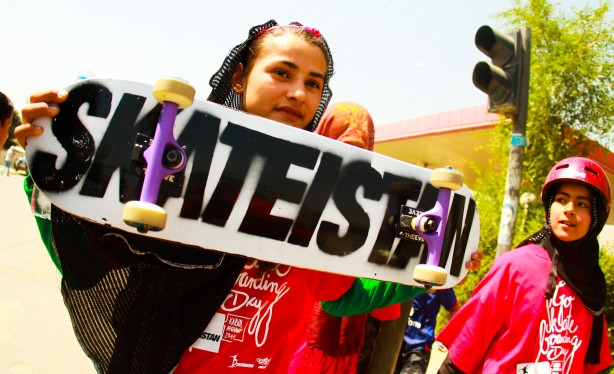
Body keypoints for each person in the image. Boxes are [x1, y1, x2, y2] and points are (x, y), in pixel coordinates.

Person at [17, 20, 482, 373]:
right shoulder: (169, 159)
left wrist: (427, 269)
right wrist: (51, 162)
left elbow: (337, 294)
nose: (298, 93)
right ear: (239, 77)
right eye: (281, 72)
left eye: (314, 83)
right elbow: (85, 255)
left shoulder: (331, 199)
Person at [436, 157, 613, 374]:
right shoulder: (515, 265)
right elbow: (463, 351)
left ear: (597, 217)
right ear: (549, 206)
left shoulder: (592, 284)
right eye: (561, 199)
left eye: (582, 203)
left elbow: (591, 364)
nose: (569, 209)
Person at [395, 289, 459, 374]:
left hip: (419, 347)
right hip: (395, 341)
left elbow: (454, 309)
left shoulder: (441, 285)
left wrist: (448, 337)